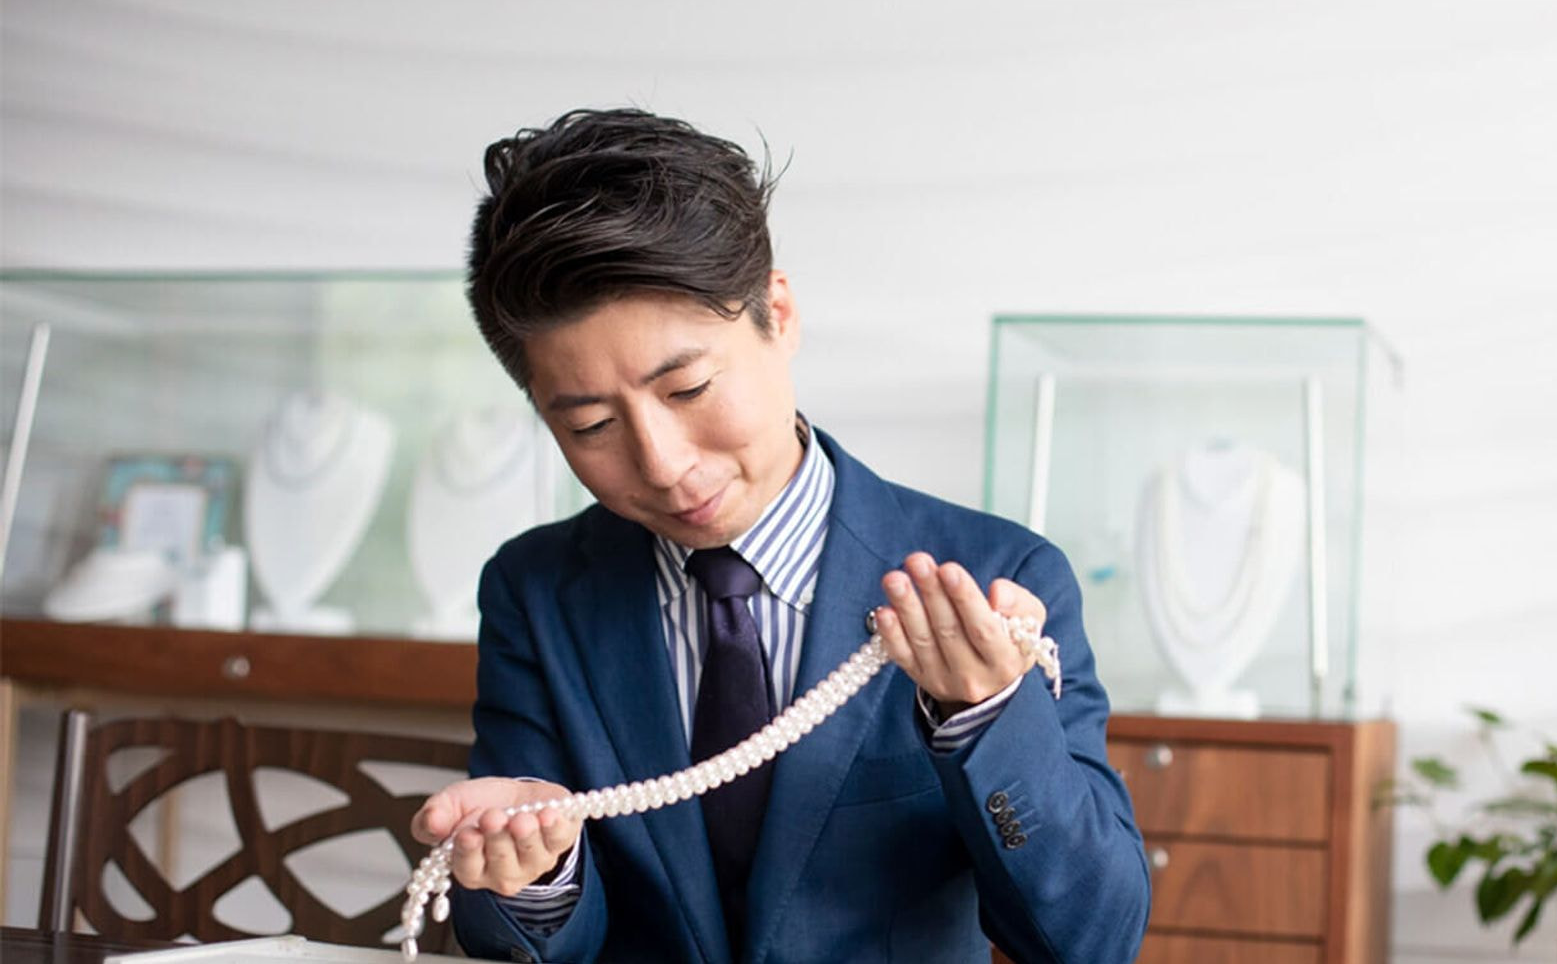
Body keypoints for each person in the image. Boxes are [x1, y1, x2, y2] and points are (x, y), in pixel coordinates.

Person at [408, 108, 1149, 963]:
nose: (663, 463)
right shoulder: (535, 590)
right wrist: (536, 875)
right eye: (591, 426)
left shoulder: (998, 575)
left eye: (687, 389)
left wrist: (986, 718)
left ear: (779, 312)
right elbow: (517, 937)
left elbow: (1092, 939)